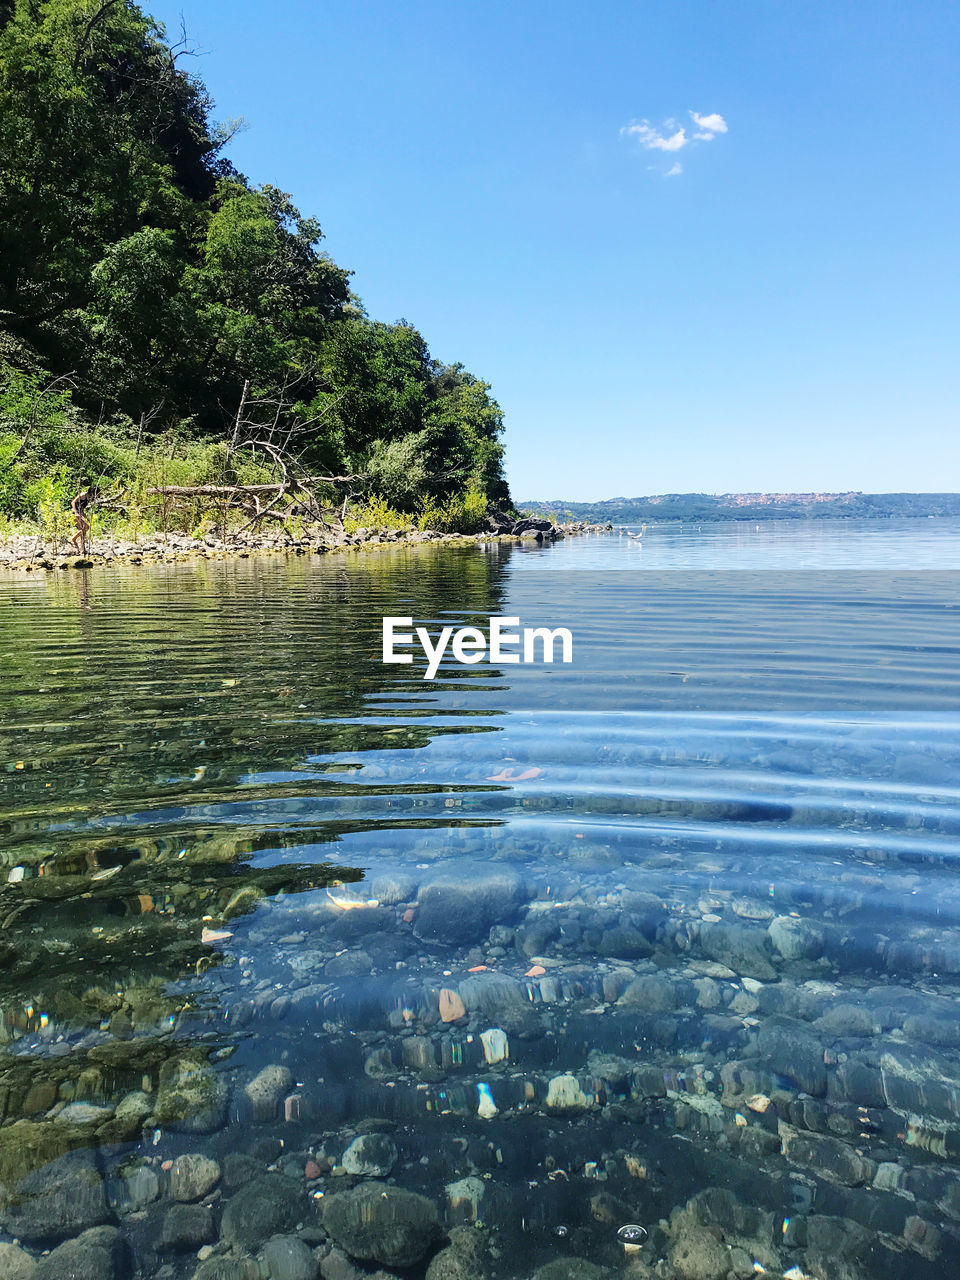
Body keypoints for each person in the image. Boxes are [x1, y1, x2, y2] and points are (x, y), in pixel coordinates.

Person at [68, 483, 101, 553]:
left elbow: (82, 506)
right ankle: (73, 540)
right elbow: (73, 502)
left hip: (80, 513)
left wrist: (83, 513)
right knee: (85, 527)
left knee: (84, 530)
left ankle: (81, 548)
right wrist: (76, 512)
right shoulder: (83, 495)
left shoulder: (90, 498)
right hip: (75, 513)